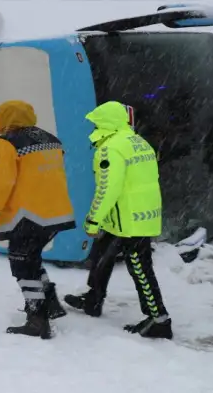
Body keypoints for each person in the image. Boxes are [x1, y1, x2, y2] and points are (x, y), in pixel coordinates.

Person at [64, 101, 173, 339]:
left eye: (96, 122)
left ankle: (159, 319)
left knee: (140, 269)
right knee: (102, 255)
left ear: (106, 123)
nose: (92, 126)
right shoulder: (137, 141)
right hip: (137, 214)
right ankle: (93, 299)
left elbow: (108, 189)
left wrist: (93, 220)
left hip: (128, 220)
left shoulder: (110, 148)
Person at [0, 100, 77, 339]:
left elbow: (2, 182)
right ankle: (51, 304)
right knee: (32, 258)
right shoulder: (50, 138)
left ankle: (37, 320)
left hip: (28, 216)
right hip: (56, 213)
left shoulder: (6, 143)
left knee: (22, 264)